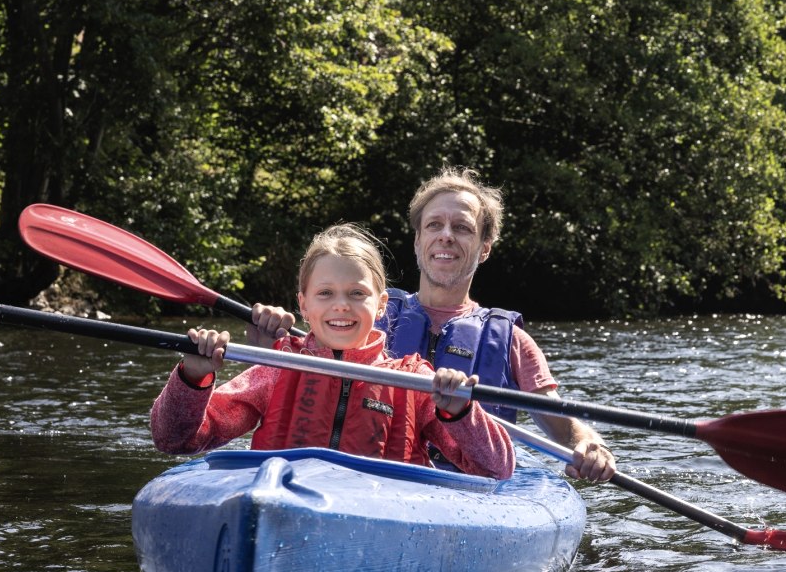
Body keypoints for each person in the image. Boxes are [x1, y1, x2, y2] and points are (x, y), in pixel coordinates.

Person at [249, 169, 618, 482]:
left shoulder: (510, 340)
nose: (446, 235)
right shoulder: (361, 311)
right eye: (434, 225)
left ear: (484, 248)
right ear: (417, 240)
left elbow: (559, 421)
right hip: (375, 478)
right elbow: (302, 385)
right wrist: (267, 347)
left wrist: (588, 442)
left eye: (462, 227)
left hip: (466, 489)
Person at [150, 224, 515, 480]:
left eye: (357, 294)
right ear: (304, 305)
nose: (341, 305)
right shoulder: (275, 369)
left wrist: (460, 412)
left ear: (382, 305)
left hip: (380, 520)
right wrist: (194, 378)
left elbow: (496, 468)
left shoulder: (414, 381)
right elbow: (176, 440)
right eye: (325, 294)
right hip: (282, 507)